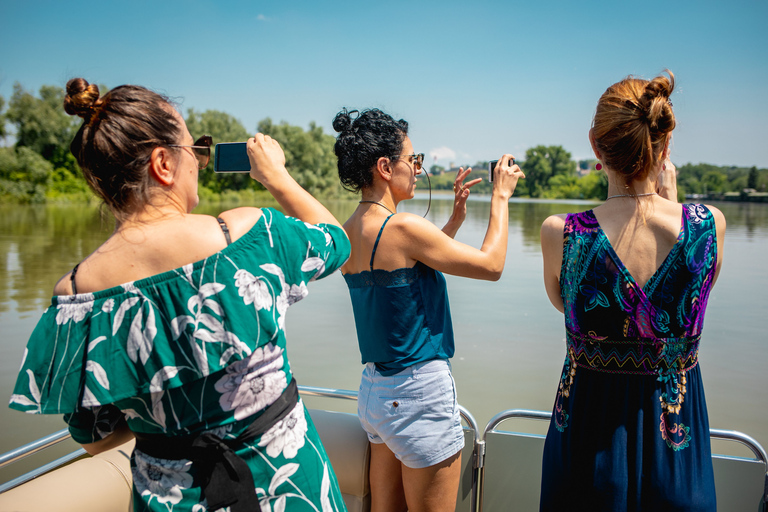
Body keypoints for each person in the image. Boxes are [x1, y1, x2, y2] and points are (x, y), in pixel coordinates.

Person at [8, 78, 351, 512]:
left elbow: (96, 439)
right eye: (196, 151)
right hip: (287, 488)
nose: (201, 164)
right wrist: (277, 177)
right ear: (163, 163)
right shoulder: (248, 235)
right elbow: (336, 241)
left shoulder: (76, 297)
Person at [539, 70, 726, 511]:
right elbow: (697, 294)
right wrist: (672, 197)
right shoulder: (708, 227)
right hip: (679, 462)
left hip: (584, 458)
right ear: (664, 144)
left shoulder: (562, 235)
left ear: (595, 143)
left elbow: (564, 306)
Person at [332, 108, 525, 511]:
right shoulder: (403, 228)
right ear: (385, 167)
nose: (418, 170)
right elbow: (491, 265)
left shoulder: (349, 230)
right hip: (418, 393)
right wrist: (501, 198)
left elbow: (409, 267)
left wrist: (454, 219)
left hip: (375, 393)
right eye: (413, 160)